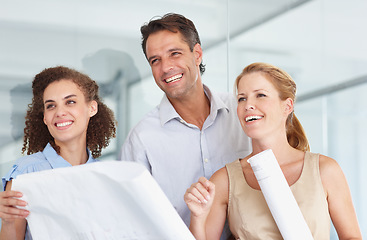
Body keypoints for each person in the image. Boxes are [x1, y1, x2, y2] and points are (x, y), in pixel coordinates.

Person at [184, 62, 362, 240]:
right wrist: (198, 218)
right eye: (242, 98)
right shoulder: (225, 181)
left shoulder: (325, 170)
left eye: (260, 95)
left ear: (287, 106)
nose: (248, 105)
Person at [119, 13, 251, 237]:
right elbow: (131, 219)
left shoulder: (241, 111)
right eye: (155, 60)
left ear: (197, 54)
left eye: (175, 54)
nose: (166, 67)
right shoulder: (142, 139)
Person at [0, 66, 117, 240]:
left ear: (92, 108)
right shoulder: (26, 173)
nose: (60, 112)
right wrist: (7, 223)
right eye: (51, 106)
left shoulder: (105, 177)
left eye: (70, 102)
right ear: (45, 118)